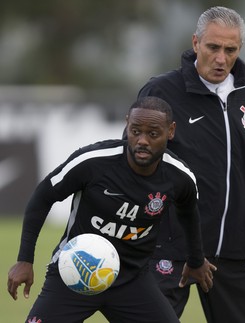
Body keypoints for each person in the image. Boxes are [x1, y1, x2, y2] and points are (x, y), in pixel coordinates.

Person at [136, 6, 245, 323]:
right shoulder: (161, 92)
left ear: (239, 49)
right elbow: (135, 161)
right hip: (170, 247)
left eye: (230, 49)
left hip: (235, 249)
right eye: (213, 47)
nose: (221, 58)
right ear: (196, 43)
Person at [7, 96, 217, 323]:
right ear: (127, 125)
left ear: (171, 131)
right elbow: (42, 197)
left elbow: (188, 213)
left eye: (153, 134)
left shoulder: (180, 177)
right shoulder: (93, 162)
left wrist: (196, 260)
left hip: (133, 279)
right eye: (135, 131)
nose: (142, 140)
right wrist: (25, 259)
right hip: (75, 273)